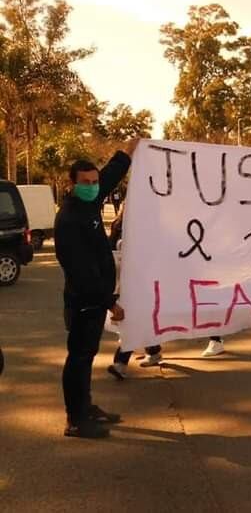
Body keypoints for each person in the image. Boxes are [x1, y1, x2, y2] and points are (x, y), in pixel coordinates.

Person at [54, 140, 138, 438]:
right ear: (72, 183)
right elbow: (80, 272)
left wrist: (126, 154)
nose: (92, 186)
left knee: (85, 357)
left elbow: (110, 175)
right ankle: (75, 420)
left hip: (92, 301)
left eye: (94, 181)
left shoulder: (88, 203)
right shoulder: (69, 218)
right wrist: (109, 302)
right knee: (78, 358)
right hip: (83, 302)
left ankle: (85, 407)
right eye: (86, 182)